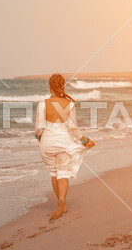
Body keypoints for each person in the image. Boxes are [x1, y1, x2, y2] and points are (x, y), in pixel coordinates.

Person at [35, 74, 95, 220]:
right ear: (63, 86)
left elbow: (38, 128)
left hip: (47, 143)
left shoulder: (42, 104)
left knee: (54, 173)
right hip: (63, 142)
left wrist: (39, 137)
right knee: (63, 174)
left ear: (49, 86)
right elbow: (73, 128)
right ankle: (61, 202)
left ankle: (62, 204)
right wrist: (84, 140)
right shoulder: (69, 104)